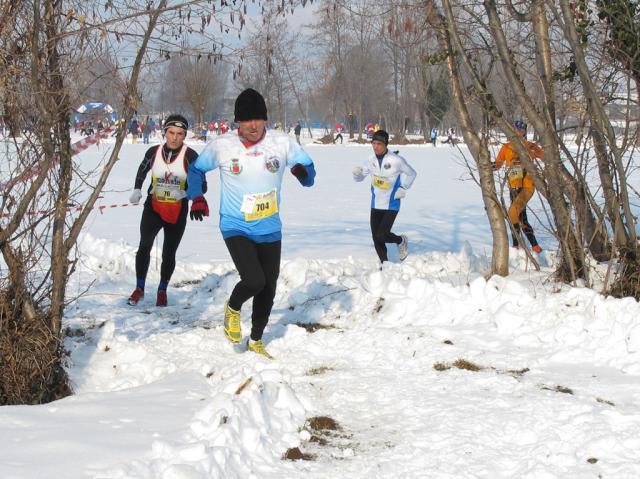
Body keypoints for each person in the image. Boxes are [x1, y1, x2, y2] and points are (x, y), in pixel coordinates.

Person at [187, 88, 316, 359]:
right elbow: (196, 170)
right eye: (246, 120)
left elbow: (309, 173)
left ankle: (256, 340)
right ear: (238, 122)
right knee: (254, 280)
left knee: (268, 288)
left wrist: (303, 172)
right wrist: (197, 195)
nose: (253, 125)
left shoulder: (282, 143)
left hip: (270, 227)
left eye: (258, 119)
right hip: (236, 225)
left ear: (265, 119)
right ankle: (233, 308)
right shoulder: (223, 145)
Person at [127, 114, 203, 307]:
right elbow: (142, 170)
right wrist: (137, 189)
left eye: (179, 133)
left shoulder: (191, 155)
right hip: (153, 207)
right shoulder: (154, 151)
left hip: (177, 210)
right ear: (165, 132)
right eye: (171, 132)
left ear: (184, 135)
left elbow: (202, 184)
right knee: (144, 246)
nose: (175, 137)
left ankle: (162, 289)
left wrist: (186, 194)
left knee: (169, 253)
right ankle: (139, 288)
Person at [353, 129, 416, 264]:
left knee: (382, 235)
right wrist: (356, 174)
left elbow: (412, 173)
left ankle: (401, 240)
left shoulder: (396, 160)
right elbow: (360, 178)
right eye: (373, 143)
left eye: (379, 144)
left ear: (386, 144)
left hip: (392, 203)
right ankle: (384, 263)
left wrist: (403, 188)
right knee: (376, 238)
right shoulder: (370, 160)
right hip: (375, 204)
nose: (375, 146)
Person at [494, 119, 544, 253]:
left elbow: (546, 158)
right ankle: (534, 246)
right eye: (515, 129)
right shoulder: (506, 147)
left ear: (525, 132)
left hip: (527, 187)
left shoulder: (530, 146)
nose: (517, 132)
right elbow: (498, 164)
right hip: (513, 186)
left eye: (521, 130)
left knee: (513, 214)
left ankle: (517, 245)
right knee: (520, 217)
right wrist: (488, 165)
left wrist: (543, 173)